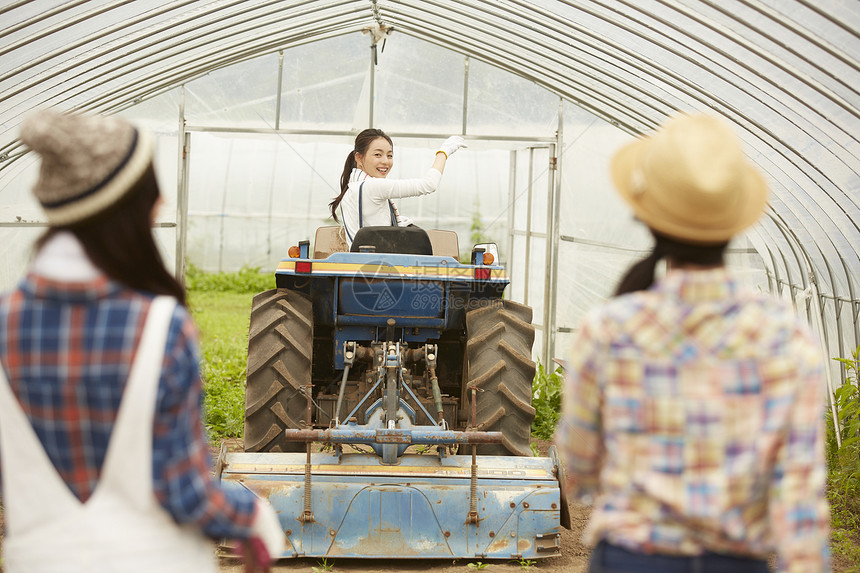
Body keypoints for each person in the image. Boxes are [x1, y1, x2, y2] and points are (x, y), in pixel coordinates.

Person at [0, 110, 283, 572]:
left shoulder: (5, 322)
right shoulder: (158, 325)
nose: (161, 202)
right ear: (126, 206)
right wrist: (252, 516)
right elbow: (183, 491)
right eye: (151, 190)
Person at [556, 114, 830, 573]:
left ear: (647, 216)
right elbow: (799, 499)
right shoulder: (784, 336)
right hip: (736, 562)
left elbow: (579, 467)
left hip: (630, 560)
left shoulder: (609, 329)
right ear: (734, 219)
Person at [328, 128, 467, 249]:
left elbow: (373, 221)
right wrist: (443, 152)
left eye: (389, 155)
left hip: (360, 264)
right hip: (380, 265)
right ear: (359, 157)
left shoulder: (352, 188)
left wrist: (400, 221)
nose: (385, 161)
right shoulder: (373, 186)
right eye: (377, 154)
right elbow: (429, 184)